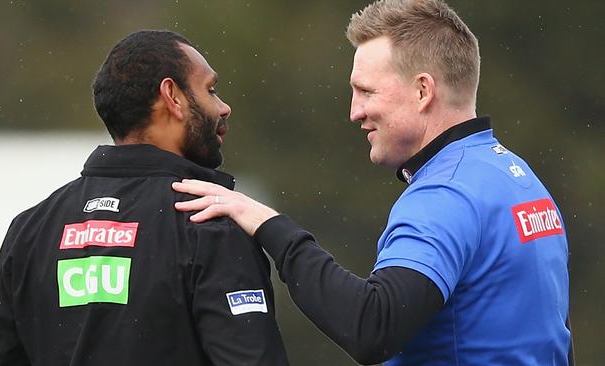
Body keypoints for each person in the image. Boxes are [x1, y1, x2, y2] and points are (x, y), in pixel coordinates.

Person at [172, 1, 573, 365]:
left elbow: (372, 327)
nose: (354, 112)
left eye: (365, 91)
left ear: (422, 91)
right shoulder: (518, 179)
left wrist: (269, 225)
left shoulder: (445, 194)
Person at [0, 30, 288, 365]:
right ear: (172, 96)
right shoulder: (208, 224)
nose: (224, 107)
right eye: (210, 90)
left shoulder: (30, 230)